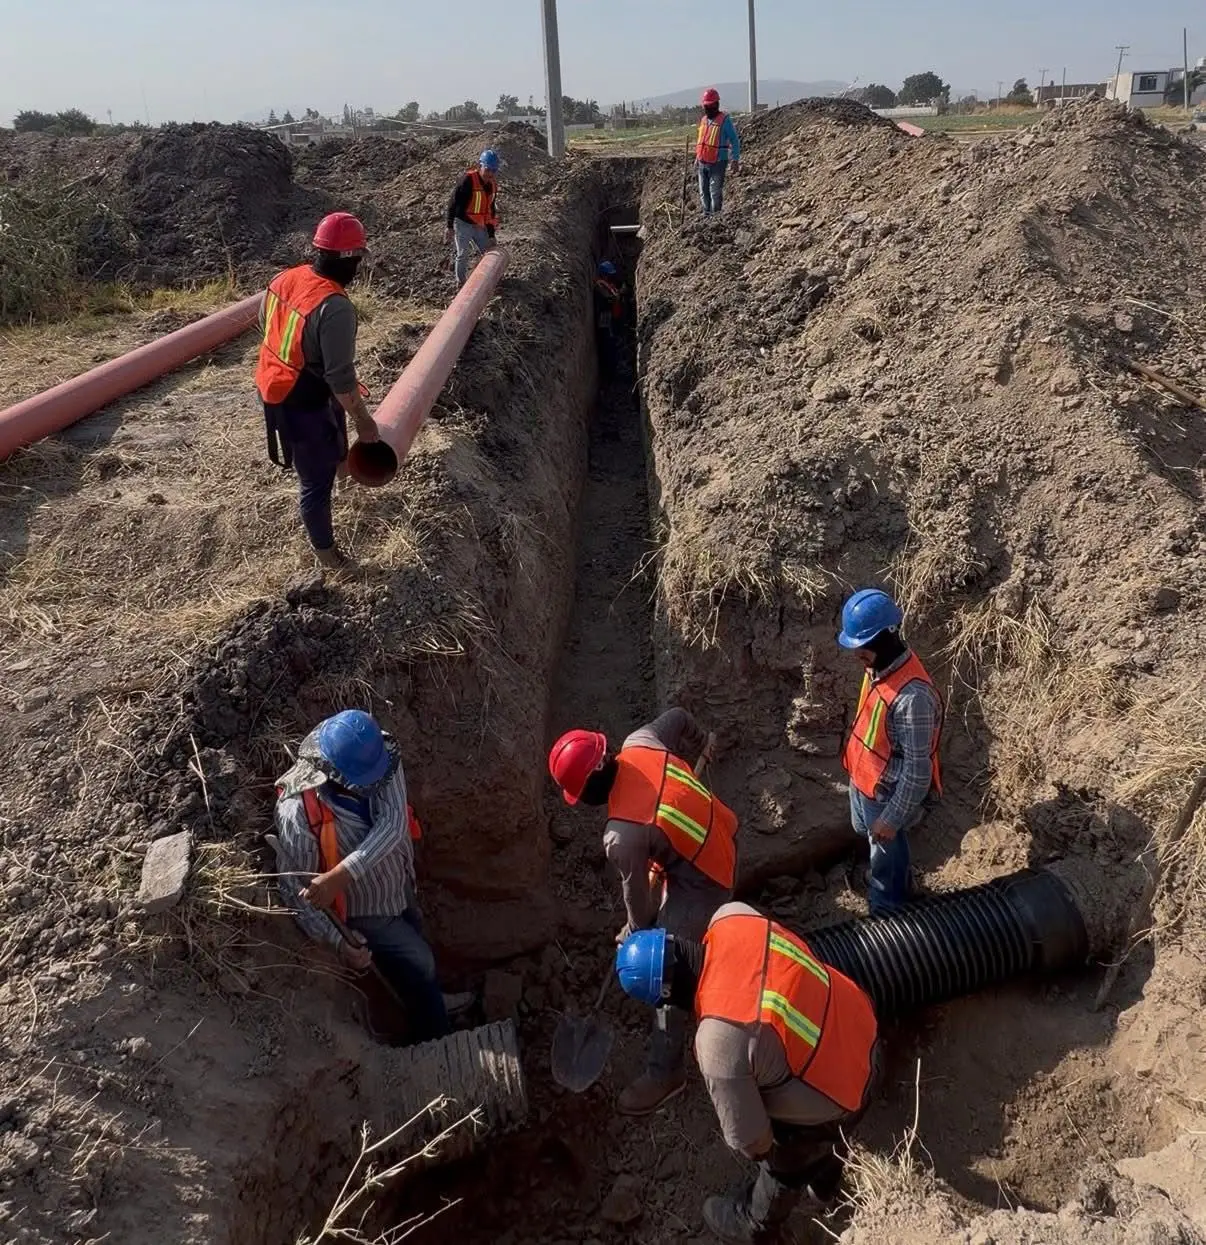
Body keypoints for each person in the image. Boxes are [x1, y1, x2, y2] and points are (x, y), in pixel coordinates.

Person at [616, 904, 881, 1244]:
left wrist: (765, 1140)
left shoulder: (715, 1041)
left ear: (666, 996)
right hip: (866, 1033)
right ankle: (825, 1187)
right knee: (826, 1135)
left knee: (784, 1157)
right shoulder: (731, 916)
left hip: (841, 1097)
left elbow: (754, 1143)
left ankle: (759, 1226)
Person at [548, 709, 737, 1115]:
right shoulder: (641, 741)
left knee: (663, 966)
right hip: (720, 829)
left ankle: (666, 1072)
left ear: (591, 786)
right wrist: (704, 739)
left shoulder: (621, 836)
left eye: (579, 795)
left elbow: (639, 905)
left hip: (708, 880)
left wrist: (636, 935)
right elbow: (683, 717)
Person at [272, 710, 472, 1043]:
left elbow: (393, 823)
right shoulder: (299, 813)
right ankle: (436, 1034)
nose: (381, 784)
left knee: (416, 938)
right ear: (336, 776)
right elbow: (297, 893)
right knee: (419, 960)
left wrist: (342, 873)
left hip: (400, 883)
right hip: (366, 912)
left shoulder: (378, 753)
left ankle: (428, 997)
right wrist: (337, 941)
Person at [255, 212, 379, 571]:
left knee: (333, 433)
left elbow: (266, 324)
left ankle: (343, 481)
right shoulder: (335, 308)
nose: (358, 268)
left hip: (276, 380)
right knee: (314, 479)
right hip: (298, 399)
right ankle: (327, 556)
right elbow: (341, 379)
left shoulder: (286, 277)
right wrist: (364, 423)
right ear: (349, 259)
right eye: (357, 259)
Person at [838, 588, 944, 914]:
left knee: (886, 847)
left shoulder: (913, 698)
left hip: (886, 793)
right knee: (867, 833)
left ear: (885, 638)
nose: (857, 655)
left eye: (862, 646)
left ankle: (889, 906)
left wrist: (892, 818)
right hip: (866, 778)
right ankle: (890, 874)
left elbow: (917, 771)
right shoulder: (878, 666)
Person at [445, 149, 500, 288]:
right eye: (487, 169)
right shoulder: (467, 180)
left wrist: (491, 234)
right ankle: (461, 282)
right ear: (480, 166)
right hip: (463, 223)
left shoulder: (492, 185)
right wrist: (449, 226)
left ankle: (487, 281)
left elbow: (490, 210)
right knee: (463, 253)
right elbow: (453, 202)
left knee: (488, 251)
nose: (490, 174)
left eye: (494, 171)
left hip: (478, 224)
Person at [696, 88, 741, 216]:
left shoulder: (724, 120)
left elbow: (734, 140)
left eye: (709, 105)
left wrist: (735, 159)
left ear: (716, 105)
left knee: (714, 192)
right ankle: (706, 214)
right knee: (703, 191)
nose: (707, 108)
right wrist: (697, 158)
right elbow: (701, 140)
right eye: (705, 106)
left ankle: (715, 217)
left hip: (718, 162)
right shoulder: (704, 120)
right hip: (702, 162)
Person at [593, 259, 624, 379]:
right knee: (609, 344)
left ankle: (614, 368)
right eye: (609, 274)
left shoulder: (608, 284)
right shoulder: (599, 285)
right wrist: (618, 295)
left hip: (611, 317)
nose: (610, 277)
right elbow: (609, 299)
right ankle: (611, 373)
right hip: (604, 319)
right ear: (603, 274)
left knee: (614, 341)